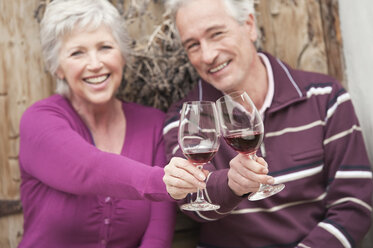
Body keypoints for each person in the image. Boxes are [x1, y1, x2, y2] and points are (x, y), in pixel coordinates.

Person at [162, 0, 373, 247]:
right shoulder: (185, 119)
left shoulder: (326, 98)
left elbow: (354, 203)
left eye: (216, 34)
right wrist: (231, 184)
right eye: (193, 45)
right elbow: (193, 205)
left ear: (249, 25)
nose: (207, 55)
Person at [18, 0, 205, 247]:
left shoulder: (153, 125)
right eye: (77, 52)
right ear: (58, 68)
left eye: (105, 47)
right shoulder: (39, 121)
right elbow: (86, 169)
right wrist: (165, 181)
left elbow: (157, 233)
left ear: (122, 55)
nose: (95, 64)